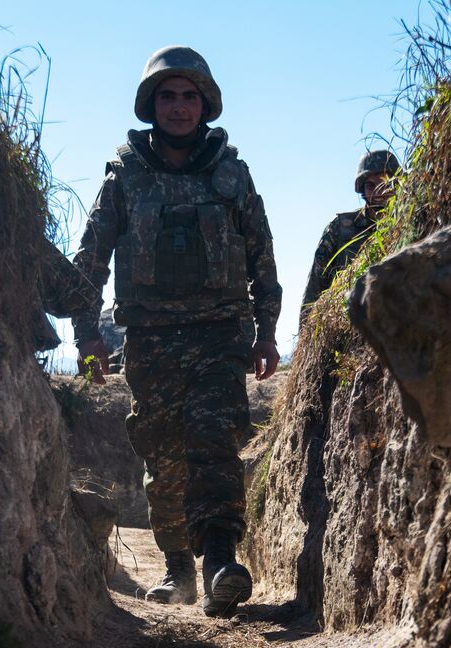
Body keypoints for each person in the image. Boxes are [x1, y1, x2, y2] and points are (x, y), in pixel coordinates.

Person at [70, 45, 281, 617]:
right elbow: (91, 260)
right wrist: (87, 336)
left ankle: (220, 563)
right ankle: (178, 566)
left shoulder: (231, 175)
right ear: (151, 104)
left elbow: (261, 257)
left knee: (213, 440)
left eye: (190, 96)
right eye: (168, 96)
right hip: (150, 341)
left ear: (205, 104)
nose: (180, 107)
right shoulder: (125, 176)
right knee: (164, 456)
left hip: (220, 335)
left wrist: (266, 332)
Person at [298, 149, 401, 323]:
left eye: (385, 183)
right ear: (362, 190)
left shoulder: (408, 223)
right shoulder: (339, 227)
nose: (379, 191)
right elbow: (315, 287)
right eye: (371, 185)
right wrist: (305, 332)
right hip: (349, 323)